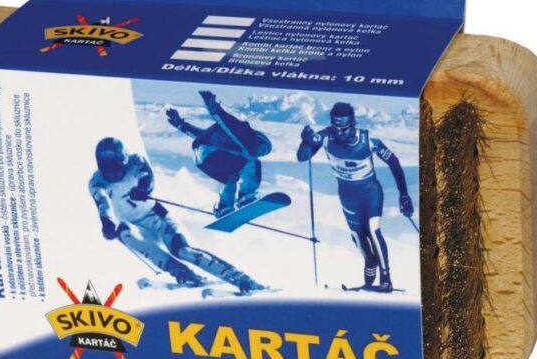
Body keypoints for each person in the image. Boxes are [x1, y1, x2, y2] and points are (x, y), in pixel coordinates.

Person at [89, 137, 264, 293]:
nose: (112, 172)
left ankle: (238, 277)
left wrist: (143, 189)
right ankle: (181, 272)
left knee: (182, 250)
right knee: (123, 232)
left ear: (125, 161)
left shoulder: (136, 162)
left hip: (157, 218)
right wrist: (108, 224)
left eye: (116, 166)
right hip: (136, 227)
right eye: (107, 167)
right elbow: (103, 204)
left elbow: (148, 177)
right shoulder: (97, 183)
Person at [296, 102, 414, 292]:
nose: (340, 132)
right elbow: (302, 157)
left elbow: (394, 162)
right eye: (336, 127)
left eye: (344, 128)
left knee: (373, 231)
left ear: (352, 123)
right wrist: (305, 141)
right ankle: (370, 265)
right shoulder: (324, 136)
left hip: (370, 193)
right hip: (347, 195)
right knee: (358, 237)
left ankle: (386, 279)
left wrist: (404, 195)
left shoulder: (368, 139)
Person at [166, 90, 272, 217]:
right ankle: (246, 196)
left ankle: (224, 207)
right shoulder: (246, 134)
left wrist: (180, 125)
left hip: (204, 158)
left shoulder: (232, 142)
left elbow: (203, 136)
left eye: (263, 153)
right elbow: (227, 123)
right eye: (263, 148)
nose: (260, 153)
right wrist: (214, 109)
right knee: (252, 162)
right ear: (258, 139)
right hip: (211, 154)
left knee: (233, 176)